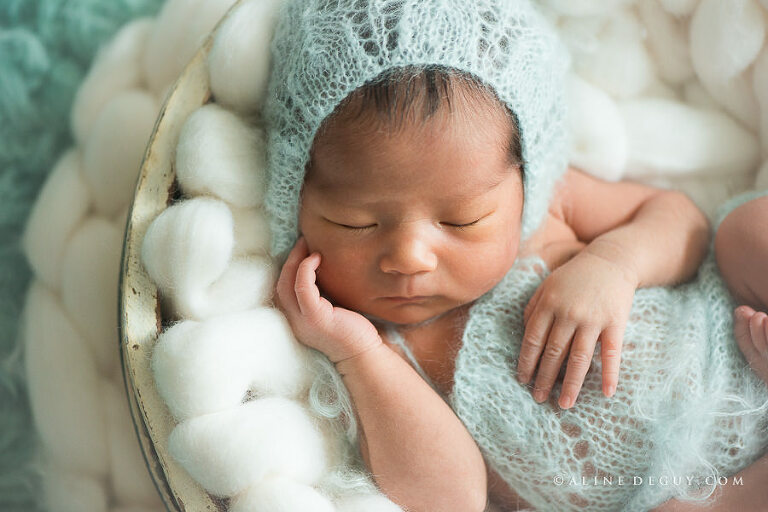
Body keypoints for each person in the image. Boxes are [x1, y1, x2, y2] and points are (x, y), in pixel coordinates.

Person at [265, 0, 768, 510]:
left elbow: (683, 219)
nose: (409, 257)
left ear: (528, 176)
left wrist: (614, 264)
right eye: (356, 223)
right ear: (295, 199)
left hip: (731, 326)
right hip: (702, 492)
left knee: (745, 232)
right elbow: (453, 498)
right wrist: (357, 354)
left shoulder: (550, 206)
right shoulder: (372, 348)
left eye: (462, 220)